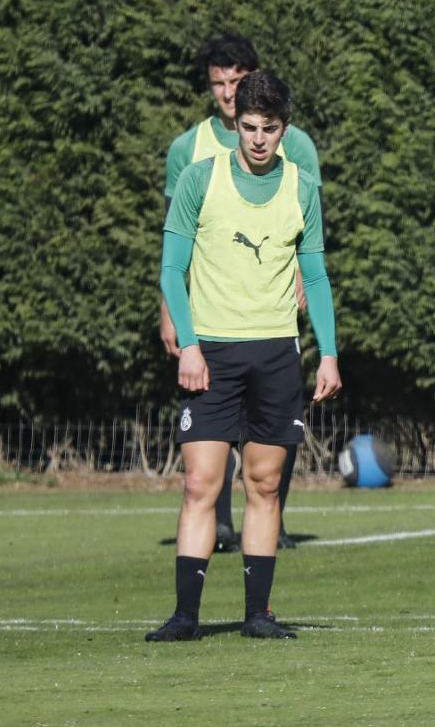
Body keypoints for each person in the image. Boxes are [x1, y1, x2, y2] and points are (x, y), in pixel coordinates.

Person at [147, 71, 341, 641]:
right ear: (237, 123)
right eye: (249, 127)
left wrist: (328, 353)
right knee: (200, 483)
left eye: (269, 129)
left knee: (262, 483)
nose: (258, 139)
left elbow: (316, 274)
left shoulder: (301, 186)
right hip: (211, 354)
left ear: (285, 130)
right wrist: (189, 343)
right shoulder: (197, 180)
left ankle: (258, 615)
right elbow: (170, 271)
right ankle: (186, 616)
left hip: (277, 354)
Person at [161, 33, 321, 552]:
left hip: (271, 319)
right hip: (211, 319)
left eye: (236, 80)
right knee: (212, 430)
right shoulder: (188, 150)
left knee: (271, 432)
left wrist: (300, 278)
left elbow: (303, 227)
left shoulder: (292, 144)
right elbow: (175, 242)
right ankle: (221, 526)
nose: (228, 92)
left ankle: (269, 520)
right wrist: (170, 313)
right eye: (219, 83)